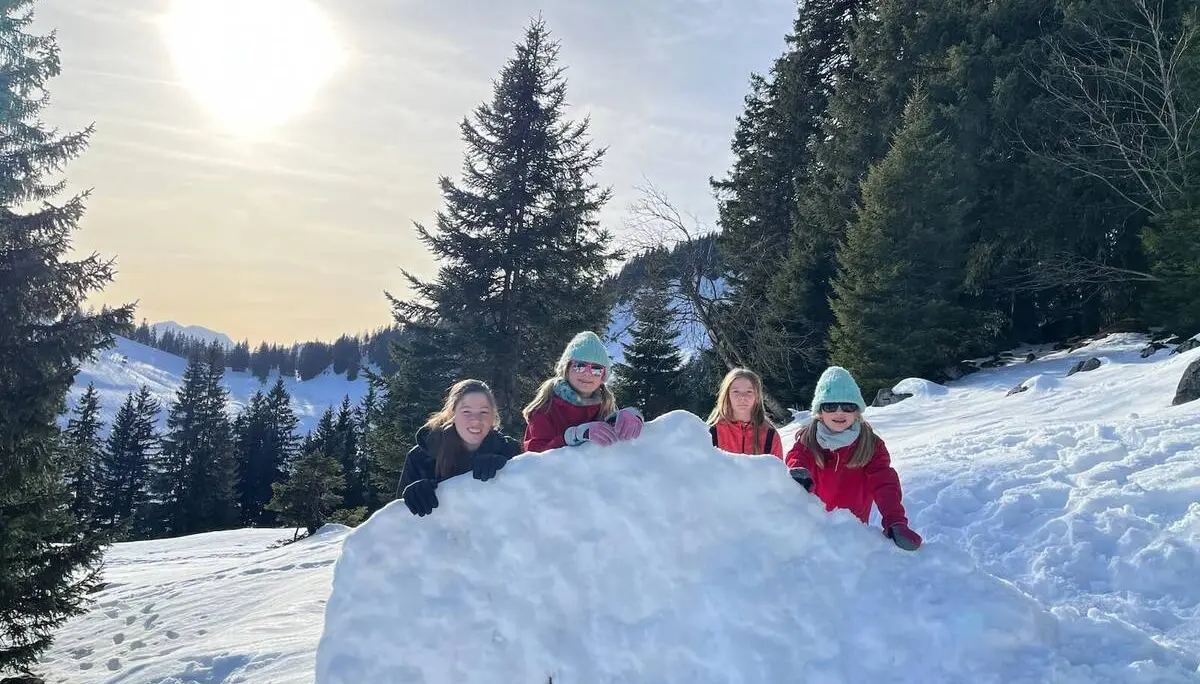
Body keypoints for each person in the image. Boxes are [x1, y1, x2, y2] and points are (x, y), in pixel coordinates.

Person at [785, 366, 922, 551]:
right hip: (814, 530)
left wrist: (895, 521)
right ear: (820, 412)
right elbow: (796, 458)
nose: (839, 412)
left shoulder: (870, 444)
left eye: (848, 406)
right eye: (830, 406)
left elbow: (885, 484)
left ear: (857, 412)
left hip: (853, 533)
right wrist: (798, 471)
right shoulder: (808, 440)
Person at [397, 379, 521, 517]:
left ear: (493, 415)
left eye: (484, 412)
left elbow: (528, 506)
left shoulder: (509, 450)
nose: (476, 420)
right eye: (466, 411)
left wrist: (506, 472)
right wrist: (411, 498)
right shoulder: (421, 457)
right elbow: (399, 522)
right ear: (452, 414)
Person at [522, 331, 644, 452]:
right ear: (566, 369)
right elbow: (534, 456)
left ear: (603, 376)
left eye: (596, 369)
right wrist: (574, 435)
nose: (587, 373)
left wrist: (634, 415)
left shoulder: (604, 406)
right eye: (579, 366)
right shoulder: (545, 408)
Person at [705, 368, 783, 458]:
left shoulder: (770, 435)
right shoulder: (711, 432)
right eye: (736, 391)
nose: (742, 397)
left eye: (749, 391)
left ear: (757, 396)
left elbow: (777, 467)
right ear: (727, 395)